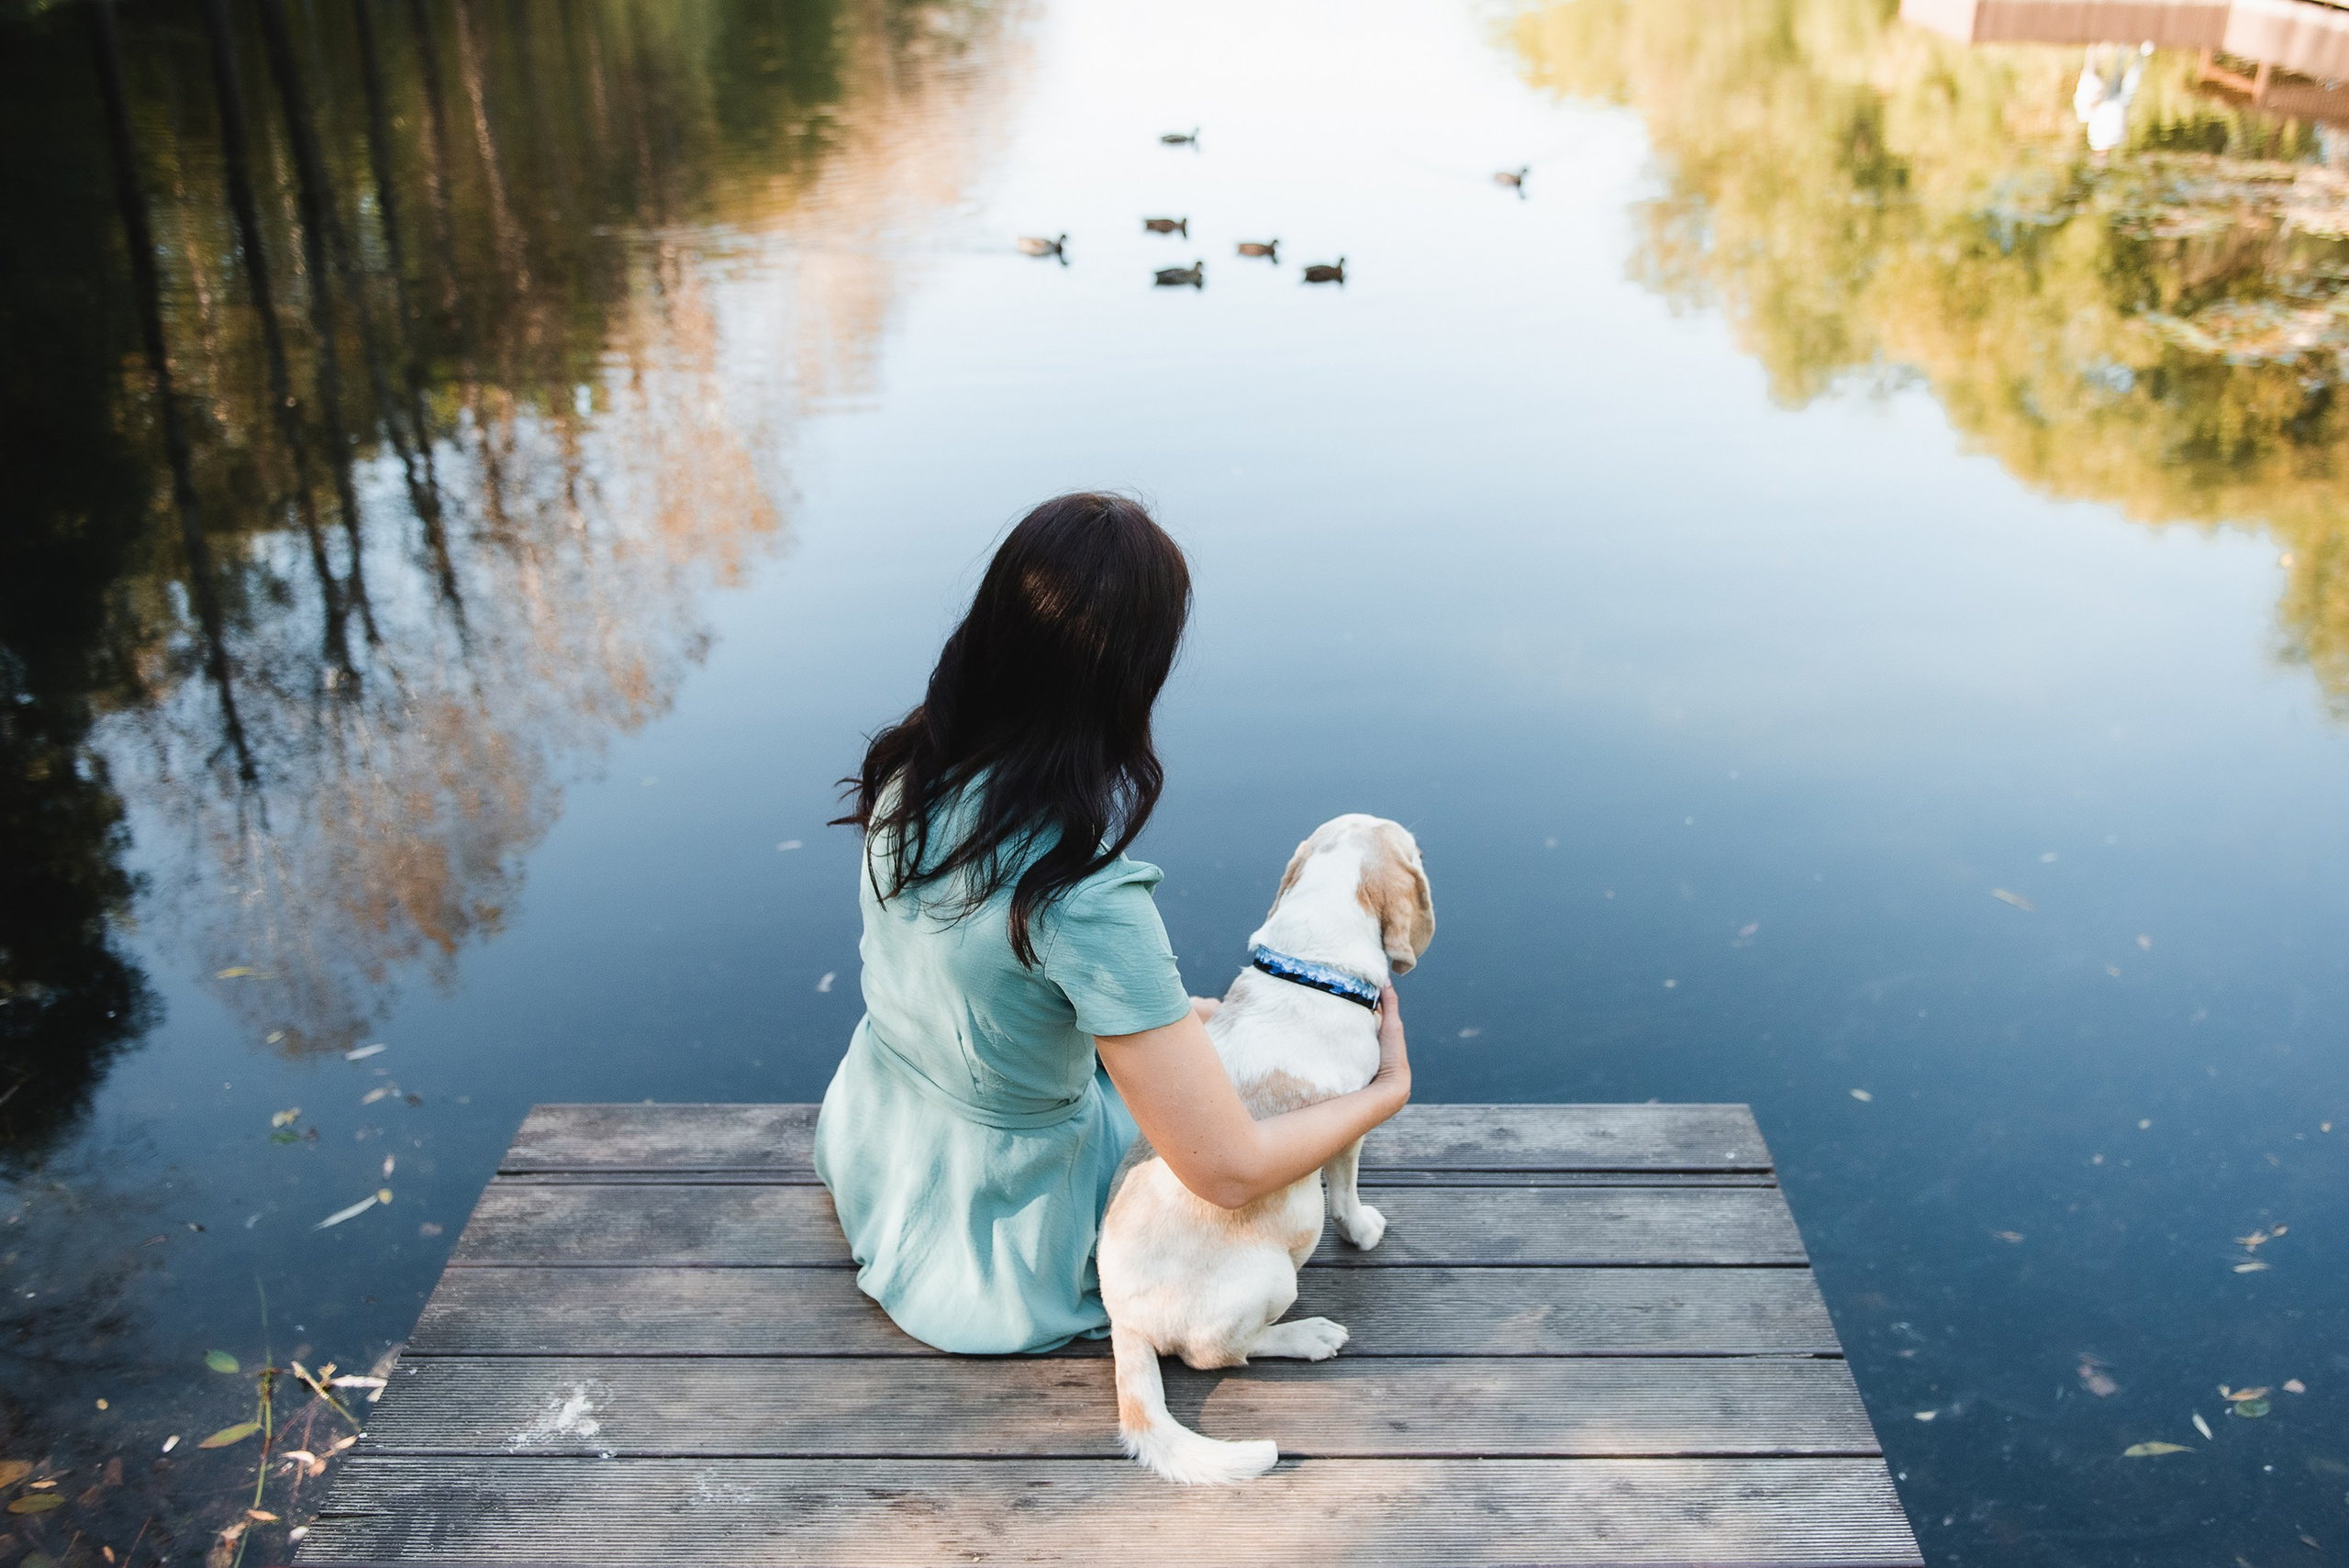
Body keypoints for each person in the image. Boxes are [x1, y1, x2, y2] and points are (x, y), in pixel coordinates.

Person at [813, 493, 1413, 1354]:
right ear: (1132, 678)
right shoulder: (1081, 892)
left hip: (882, 1140)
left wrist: (1165, 1016)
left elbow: (984, 981)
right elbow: (1226, 1167)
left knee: (1187, 1037)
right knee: (1239, 1178)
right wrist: (1380, 1094)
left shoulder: (914, 773)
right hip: (1001, 1231)